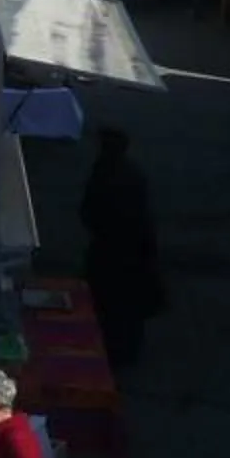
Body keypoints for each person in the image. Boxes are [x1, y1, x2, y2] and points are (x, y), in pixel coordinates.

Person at [77, 126, 167, 373]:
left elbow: (89, 211)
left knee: (107, 300)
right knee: (128, 302)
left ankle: (107, 348)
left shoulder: (104, 171)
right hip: (133, 248)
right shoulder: (133, 173)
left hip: (109, 248)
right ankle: (126, 350)